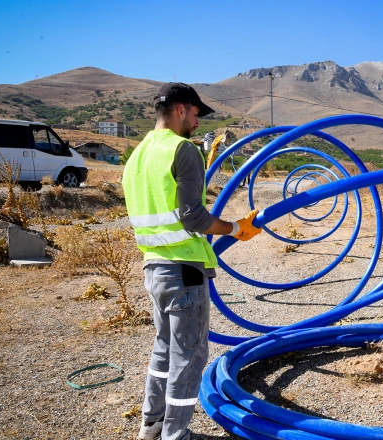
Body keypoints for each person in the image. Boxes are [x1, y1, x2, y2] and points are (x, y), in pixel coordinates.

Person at [123, 82, 262, 440]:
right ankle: (175, 436)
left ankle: (151, 425)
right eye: (197, 113)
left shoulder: (137, 155)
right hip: (184, 270)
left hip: (153, 267)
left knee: (164, 349)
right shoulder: (182, 150)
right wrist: (236, 228)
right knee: (189, 358)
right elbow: (193, 218)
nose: (198, 122)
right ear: (181, 109)